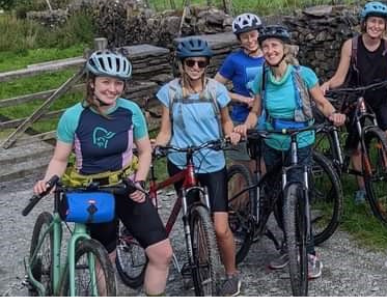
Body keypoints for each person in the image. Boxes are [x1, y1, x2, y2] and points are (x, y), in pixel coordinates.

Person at [33, 51, 173, 297]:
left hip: (126, 186)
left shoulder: (131, 111)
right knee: (103, 260)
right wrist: (48, 180)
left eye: (118, 83)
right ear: (92, 82)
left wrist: (139, 181)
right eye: (106, 82)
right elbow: (60, 158)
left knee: (162, 254)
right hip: (91, 191)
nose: (113, 89)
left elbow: (144, 151)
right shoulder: (73, 117)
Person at [234, 24, 345, 279]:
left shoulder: (302, 74)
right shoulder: (262, 77)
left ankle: (309, 253)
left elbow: (321, 101)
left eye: (274, 46)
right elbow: (256, 111)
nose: (270, 50)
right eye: (266, 47)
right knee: (274, 195)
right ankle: (289, 245)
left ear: (284, 49)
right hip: (272, 140)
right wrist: (245, 126)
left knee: (298, 196)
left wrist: (334, 114)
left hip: (300, 140)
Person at [153, 37, 242, 296]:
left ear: (206, 64)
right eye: (190, 62)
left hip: (212, 160)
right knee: (194, 216)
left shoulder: (216, 90)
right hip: (181, 161)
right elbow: (165, 130)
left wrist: (230, 134)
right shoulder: (169, 92)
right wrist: (157, 146)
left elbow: (226, 121)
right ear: (182, 64)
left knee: (220, 226)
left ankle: (231, 273)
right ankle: (201, 260)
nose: (195, 67)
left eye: (200, 63)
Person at [320, 1, 387, 210]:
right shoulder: (352, 45)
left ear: (385, 26)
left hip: (380, 97)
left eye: (381, 23)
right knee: (358, 147)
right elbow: (340, 77)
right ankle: (362, 189)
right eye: (372, 21)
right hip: (356, 97)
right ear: (364, 23)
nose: (376, 26)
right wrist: (325, 85)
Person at [216, 12, 265, 169]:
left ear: (259, 34)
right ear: (239, 40)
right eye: (245, 37)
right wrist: (241, 99)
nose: (250, 40)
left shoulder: (271, 55)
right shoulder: (234, 60)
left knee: (267, 166)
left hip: (268, 120)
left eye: (253, 35)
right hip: (241, 119)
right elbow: (214, 87)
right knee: (244, 168)